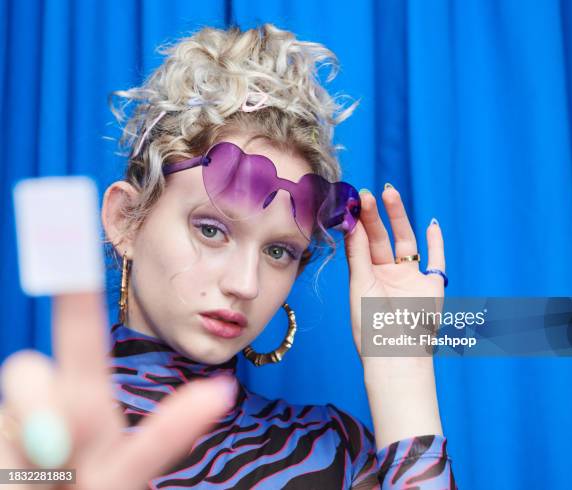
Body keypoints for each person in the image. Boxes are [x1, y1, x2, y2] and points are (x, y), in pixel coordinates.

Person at [0, 23, 456, 489]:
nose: (245, 283)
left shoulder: (334, 453)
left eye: (279, 251)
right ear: (125, 220)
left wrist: (403, 367)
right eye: (211, 230)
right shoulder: (29, 447)